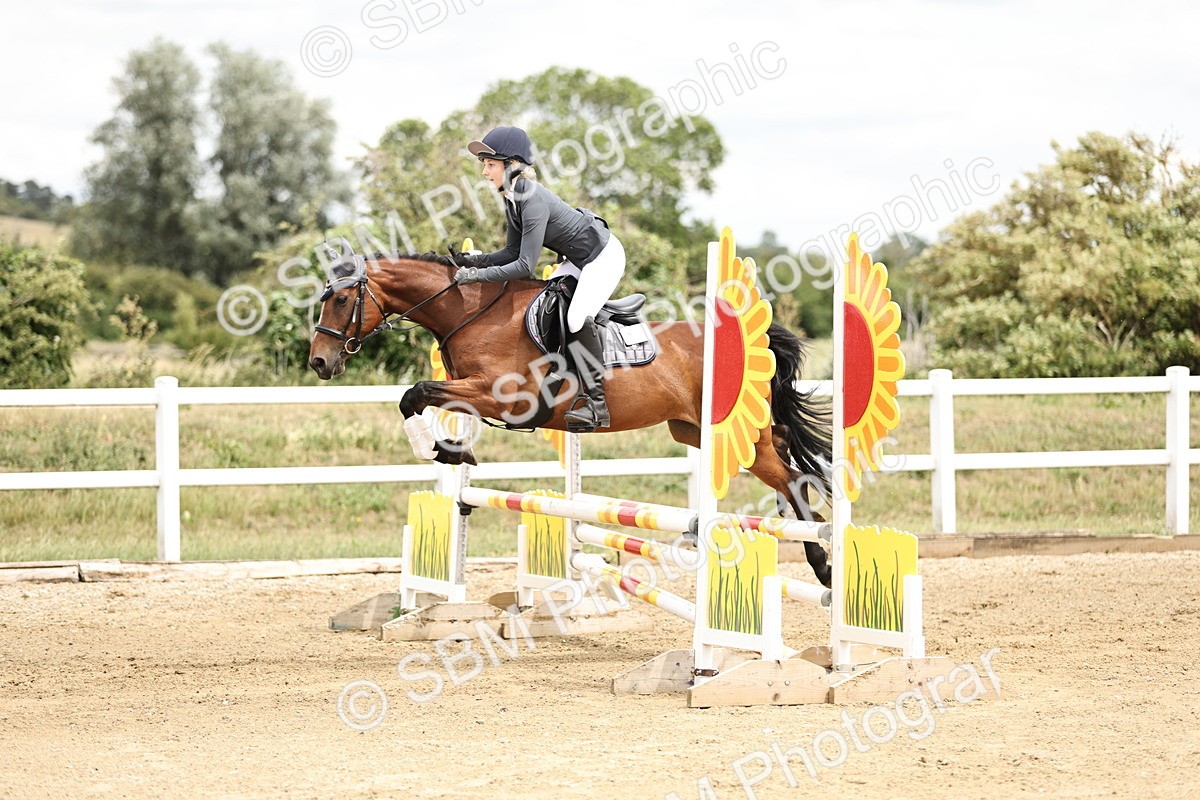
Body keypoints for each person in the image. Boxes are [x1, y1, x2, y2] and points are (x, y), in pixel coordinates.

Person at [454, 126, 627, 433]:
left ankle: (597, 405)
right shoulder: (512, 196)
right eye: (484, 165)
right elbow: (511, 251)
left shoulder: (530, 197)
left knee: (576, 317)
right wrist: (474, 261)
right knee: (544, 302)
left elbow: (524, 266)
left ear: (512, 165)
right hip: (578, 259)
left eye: (490, 164)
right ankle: (557, 374)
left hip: (602, 257)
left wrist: (476, 276)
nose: (484, 172)